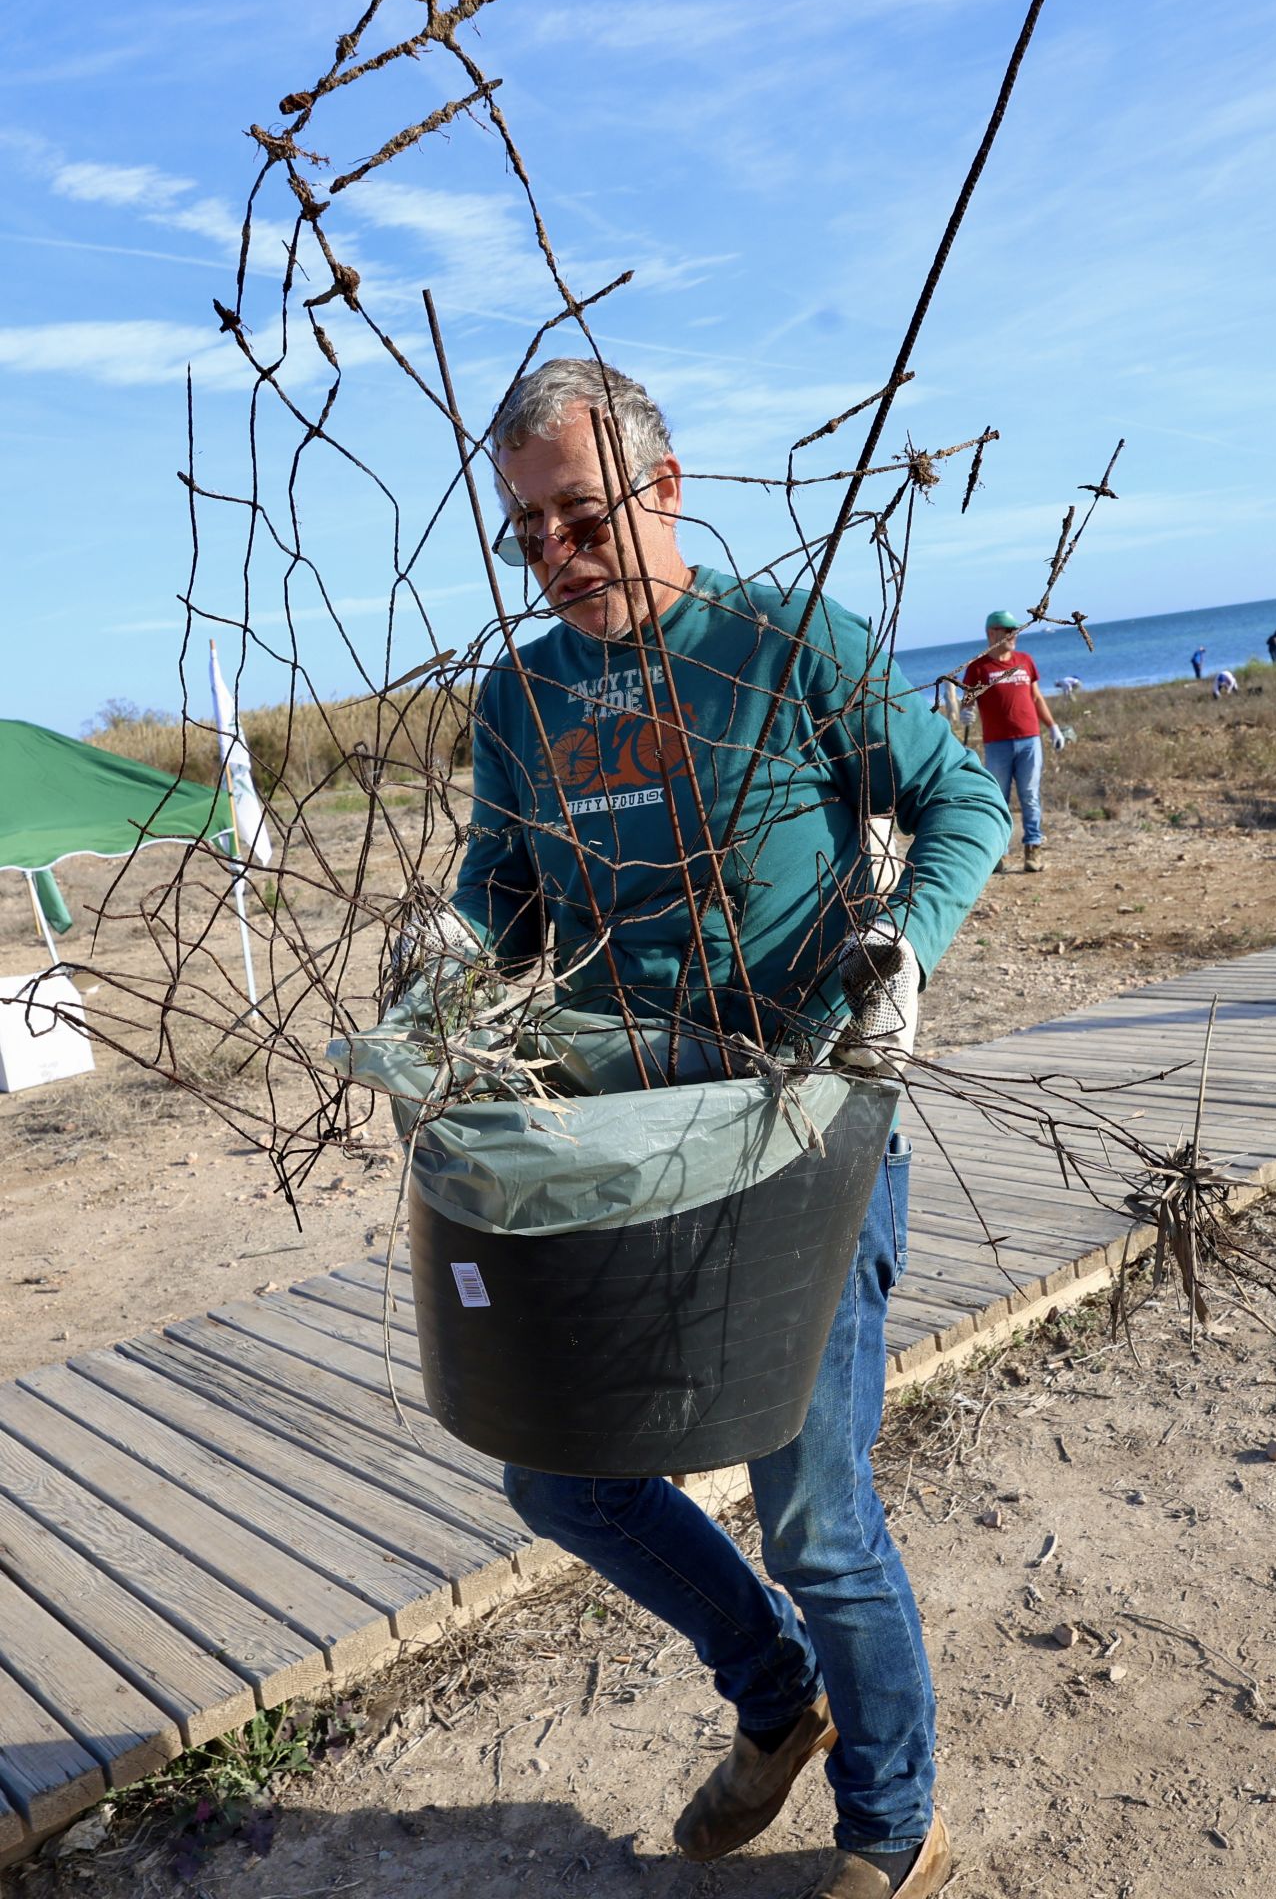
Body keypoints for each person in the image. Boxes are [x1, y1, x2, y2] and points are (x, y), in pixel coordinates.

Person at [438, 358, 1010, 1898]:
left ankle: (893, 1835)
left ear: (663, 488)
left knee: (815, 1512)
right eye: (528, 531)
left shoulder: (785, 641)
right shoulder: (524, 696)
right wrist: (448, 968)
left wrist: (901, 945)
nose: (557, 555)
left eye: (580, 515)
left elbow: (966, 801)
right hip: (622, 1140)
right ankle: (778, 1697)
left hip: (804, 1130)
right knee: (559, 1478)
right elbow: (500, 893)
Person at [962, 612, 1065, 874]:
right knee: (999, 799)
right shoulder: (978, 668)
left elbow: (1037, 697)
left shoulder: (1025, 661)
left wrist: (1052, 728)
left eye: (1015, 630)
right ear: (991, 633)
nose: (1013, 635)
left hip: (1030, 739)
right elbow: (967, 700)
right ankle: (998, 853)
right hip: (997, 744)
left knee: (1030, 796)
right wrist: (966, 711)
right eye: (1007, 630)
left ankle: (1033, 849)